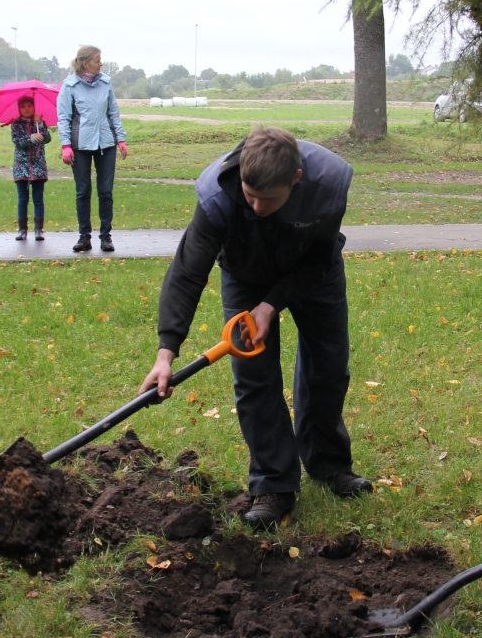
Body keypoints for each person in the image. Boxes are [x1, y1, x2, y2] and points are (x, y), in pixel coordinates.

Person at [141, 127, 373, 530]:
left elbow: (321, 256)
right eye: (250, 196)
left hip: (312, 271)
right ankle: (272, 483)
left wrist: (273, 304)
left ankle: (329, 464)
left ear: (296, 180)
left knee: (329, 366)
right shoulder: (216, 196)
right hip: (245, 273)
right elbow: (187, 272)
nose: (257, 206)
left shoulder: (328, 184)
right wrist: (166, 353)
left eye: (269, 199)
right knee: (255, 378)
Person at [56, 45, 126, 253]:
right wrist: (66, 145)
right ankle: (84, 236)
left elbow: (113, 112)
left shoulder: (106, 83)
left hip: (106, 143)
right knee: (83, 191)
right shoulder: (69, 86)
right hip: (80, 145)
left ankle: (106, 236)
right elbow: (64, 118)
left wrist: (120, 139)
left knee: (106, 192)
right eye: (97, 60)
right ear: (85, 63)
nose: (101, 63)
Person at [10, 95, 51, 241]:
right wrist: (31, 138)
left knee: (38, 198)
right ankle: (22, 230)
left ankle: (39, 229)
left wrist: (40, 125)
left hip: (38, 167)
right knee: (23, 199)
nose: (26, 109)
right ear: (19, 109)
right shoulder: (16, 124)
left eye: (29, 106)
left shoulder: (39, 123)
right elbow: (17, 141)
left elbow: (47, 138)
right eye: (23, 106)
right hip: (22, 167)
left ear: (34, 107)